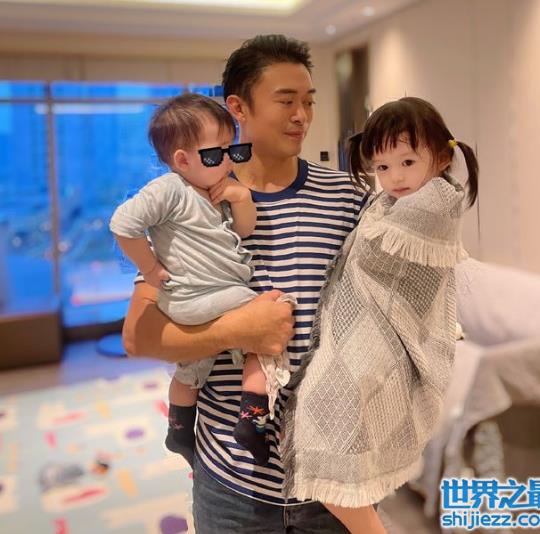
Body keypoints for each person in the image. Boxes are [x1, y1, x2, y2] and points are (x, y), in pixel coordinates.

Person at [122, 34, 369, 533]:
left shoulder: (347, 196)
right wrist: (241, 331)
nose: (302, 115)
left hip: (335, 474)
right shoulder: (188, 200)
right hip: (232, 482)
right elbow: (138, 336)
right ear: (238, 107)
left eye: (308, 101)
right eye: (285, 101)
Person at [281, 96, 479, 534]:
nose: (395, 177)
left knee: (328, 412)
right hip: (363, 329)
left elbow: (379, 269)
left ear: (440, 157)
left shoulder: (434, 204)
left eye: (408, 162)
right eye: (383, 167)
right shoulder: (386, 202)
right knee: (331, 418)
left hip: (385, 334)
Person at [110, 93, 295, 467]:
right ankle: (253, 419)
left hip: (201, 299)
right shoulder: (170, 189)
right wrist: (150, 268)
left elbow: (244, 230)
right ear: (182, 160)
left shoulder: (214, 188)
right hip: (200, 295)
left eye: (233, 150)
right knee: (270, 316)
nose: (228, 162)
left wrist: (241, 198)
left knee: (192, 368)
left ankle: (179, 429)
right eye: (216, 155)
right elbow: (122, 223)